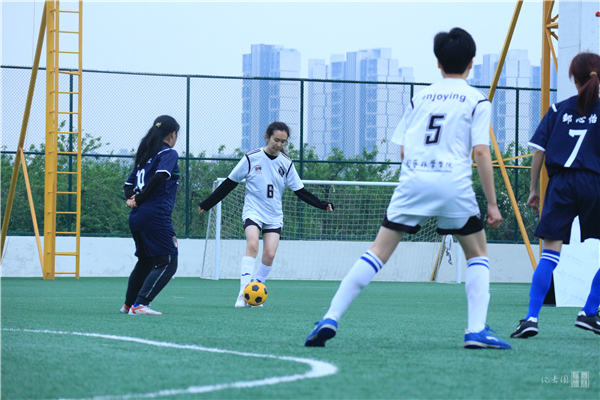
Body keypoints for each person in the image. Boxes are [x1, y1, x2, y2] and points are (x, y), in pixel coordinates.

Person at [305, 28, 511, 349]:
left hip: (414, 181)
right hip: (453, 184)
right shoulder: (477, 100)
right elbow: (481, 152)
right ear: (471, 63)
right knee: (477, 254)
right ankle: (475, 331)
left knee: (377, 252)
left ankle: (331, 316)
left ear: (438, 63)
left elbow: (402, 149)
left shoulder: (420, 98)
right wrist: (493, 205)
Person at [511, 53, 600, 338]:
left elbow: (539, 151)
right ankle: (589, 312)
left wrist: (534, 190)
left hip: (560, 184)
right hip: (593, 183)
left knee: (549, 255)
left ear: (573, 78)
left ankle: (531, 319)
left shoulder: (557, 109)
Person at [199, 121, 334, 307]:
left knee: (269, 254)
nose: (279, 144)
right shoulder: (251, 158)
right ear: (267, 137)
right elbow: (230, 183)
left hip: (274, 215)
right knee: (253, 245)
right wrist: (208, 204)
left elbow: (300, 191)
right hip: (253, 211)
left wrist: (322, 204)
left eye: (283, 142)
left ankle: (255, 293)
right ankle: (243, 294)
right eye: (276, 140)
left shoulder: (286, 164)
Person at [120, 115, 181, 315]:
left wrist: (131, 199)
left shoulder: (145, 157)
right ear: (173, 134)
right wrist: (140, 198)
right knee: (168, 261)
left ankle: (128, 305)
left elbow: (128, 185)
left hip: (137, 217)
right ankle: (140, 304)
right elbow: (160, 176)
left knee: (145, 262)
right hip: (155, 215)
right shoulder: (168, 153)